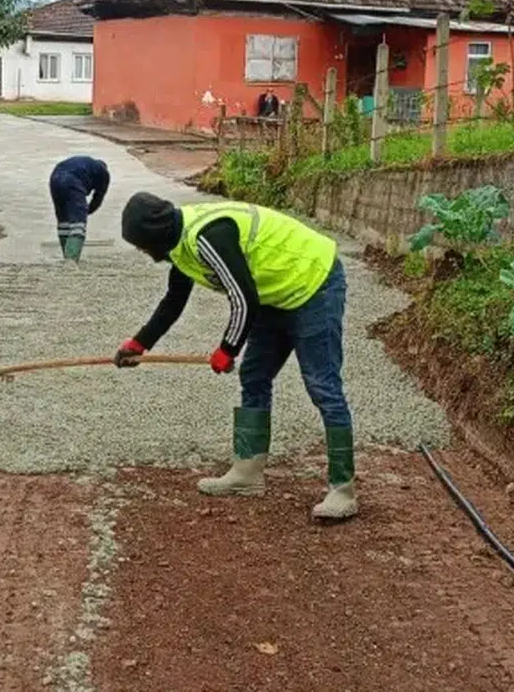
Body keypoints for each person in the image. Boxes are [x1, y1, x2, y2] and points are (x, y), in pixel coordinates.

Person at [114, 192, 357, 520]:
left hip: (313, 282)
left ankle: (343, 489)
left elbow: (243, 297)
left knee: (322, 385)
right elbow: (174, 299)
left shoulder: (208, 236)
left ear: (153, 234)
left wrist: (227, 349)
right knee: (254, 376)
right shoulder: (181, 245)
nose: (143, 252)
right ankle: (247, 472)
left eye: (141, 244)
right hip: (275, 294)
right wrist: (140, 344)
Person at [48, 155, 110, 261]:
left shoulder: (87, 164)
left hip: (54, 178)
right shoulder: (104, 174)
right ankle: (71, 260)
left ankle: (66, 257)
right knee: (78, 225)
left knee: (63, 221)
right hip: (72, 180)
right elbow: (98, 198)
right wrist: (85, 212)